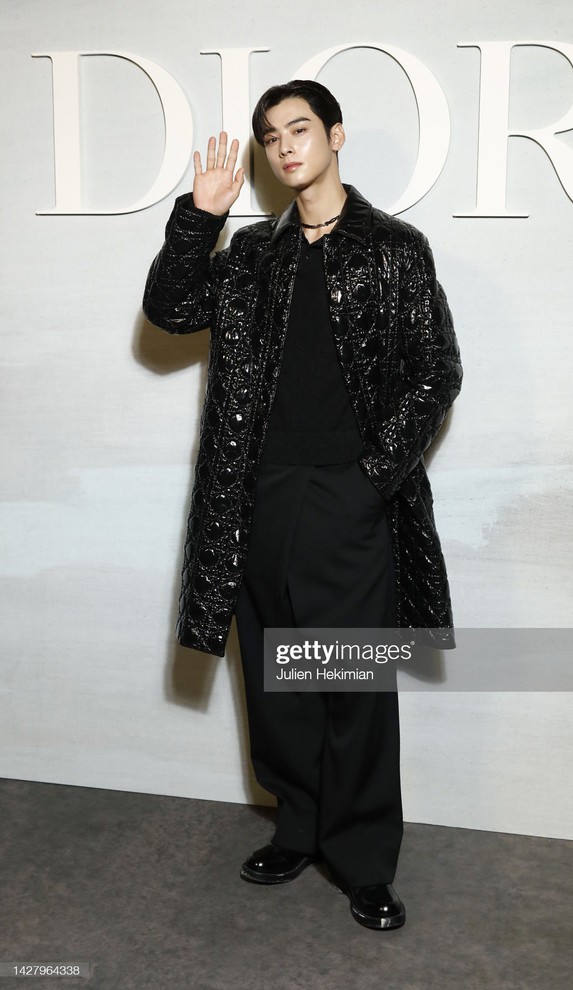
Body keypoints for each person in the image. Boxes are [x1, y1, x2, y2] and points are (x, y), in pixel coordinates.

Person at [143, 79, 462, 931]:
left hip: (350, 497)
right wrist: (199, 218)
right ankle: (299, 825)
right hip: (257, 494)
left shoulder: (396, 247)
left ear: (335, 134)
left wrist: (370, 479)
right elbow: (171, 311)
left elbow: (439, 372)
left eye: (300, 129)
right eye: (270, 137)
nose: (285, 147)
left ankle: (362, 860)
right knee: (276, 680)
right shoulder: (251, 256)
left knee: (350, 685)